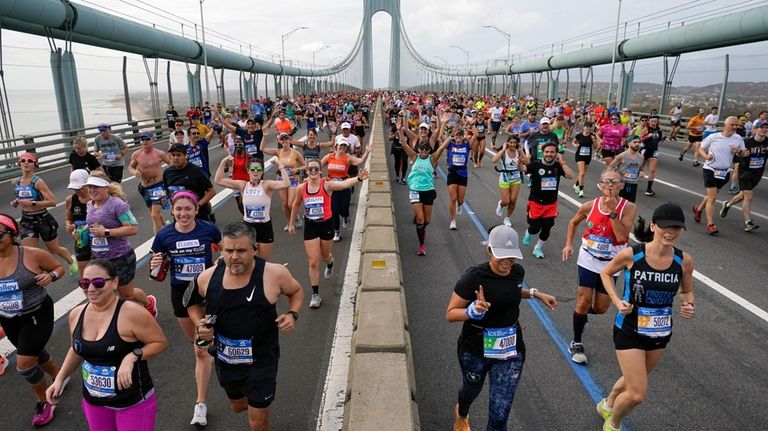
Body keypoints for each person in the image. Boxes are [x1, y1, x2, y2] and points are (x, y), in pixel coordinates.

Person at [186, 223, 303, 431]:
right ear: (221, 250)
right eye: (229, 251)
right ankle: (251, 400)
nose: (234, 257)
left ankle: (260, 405)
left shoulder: (274, 273)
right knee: (238, 406)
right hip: (226, 359)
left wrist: (292, 314)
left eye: (241, 250)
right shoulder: (208, 277)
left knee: (257, 419)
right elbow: (191, 303)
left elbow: (296, 291)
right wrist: (199, 324)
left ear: (254, 249)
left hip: (262, 359)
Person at [446, 224, 557, 431]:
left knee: (500, 413)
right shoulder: (474, 277)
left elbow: (511, 291)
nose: (507, 262)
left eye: (511, 257)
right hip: (475, 348)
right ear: (489, 250)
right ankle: (462, 412)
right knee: (471, 389)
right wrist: (472, 311)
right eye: (502, 256)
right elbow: (451, 313)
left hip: (509, 350)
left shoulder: (517, 272)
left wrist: (535, 293)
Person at [597, 203, 695, 431]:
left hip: (660, 331)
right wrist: (616, 301)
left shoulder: (684, 261)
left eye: (677, 228)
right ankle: (613, 424)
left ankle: (608, 402)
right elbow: (606, 273)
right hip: (629, 329)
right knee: (637, 393)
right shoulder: (633, 254)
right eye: (665, 227)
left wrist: (689, 304)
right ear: (653, 226)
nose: (671, 232)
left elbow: (686, 290)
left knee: (634, 378)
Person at [45, 259, 168, 431]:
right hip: (94, 402)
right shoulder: (76, 314)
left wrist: (133, 356)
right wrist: (59, 379)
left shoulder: (132, 313)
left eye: (98, 282)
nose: (91, 288)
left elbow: (160, 342)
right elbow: (77, 349)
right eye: (85, 283)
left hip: (131, 403)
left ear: (115, 282)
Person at [149, 192, 221, 426]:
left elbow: (224, 250)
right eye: (178, 209)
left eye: (188, 209)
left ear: (196, 210)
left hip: (206, 292)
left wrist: (221, 265)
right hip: (181, 294)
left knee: (200, 350)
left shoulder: (209, 229)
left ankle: (200, 404)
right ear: (172, 210)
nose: (183, 213)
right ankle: (210, 351)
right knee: (198, 344)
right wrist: (156, 267)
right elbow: (157, 273)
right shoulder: (163, 235)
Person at [562, 169, 637, 365]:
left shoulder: (627, 208)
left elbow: (621, 237)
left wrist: (613, 213)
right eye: (606, 181)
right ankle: (576, 342)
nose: (610, 185)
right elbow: (573, 222)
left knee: (601, 308)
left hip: (611, 263)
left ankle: (581, 314)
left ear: (622, 185)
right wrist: (569, 244)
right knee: (583, 300)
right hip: (588, 257)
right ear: (600, 185)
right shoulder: (589, 205)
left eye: (614, 182)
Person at [0, 213, 66, 427]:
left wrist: (51, 276)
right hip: (8, 318)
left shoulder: (31, 255)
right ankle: (59, 376)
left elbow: (58, 268)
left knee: (25, 364)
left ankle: (44, 401)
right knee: (33, 352)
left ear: (12, 234)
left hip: (36, 313)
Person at [288, 159, 368, 308]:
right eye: (310, 169)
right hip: (310, 226)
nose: (312, 171)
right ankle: (315, 294)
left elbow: (343, 184)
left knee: (325, 256)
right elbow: (296, 204)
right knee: (313, 261)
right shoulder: (301, 188)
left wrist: (358, 178)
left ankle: (330, 262)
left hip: (326, 225)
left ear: (320, 171)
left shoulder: (327, 185)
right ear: (306, 171)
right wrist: (291, 223)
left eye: (315, 169)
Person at [84, 172, 158, 317]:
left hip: (120, 256)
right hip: (98, 256)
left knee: (127, 295)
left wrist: (105, 232)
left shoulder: (118, 205)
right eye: (90, 186)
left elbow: (133, 228)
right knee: (104, 290)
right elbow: (93, 226)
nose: (92, 190)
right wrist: (82, 231)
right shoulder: (89, 204)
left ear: (106, 187)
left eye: (96, 186)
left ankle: (149, 304)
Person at [11, 152, 78, 277]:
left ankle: (71, 260)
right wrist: (16, 202)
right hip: (27, 220)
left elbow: (52, 202)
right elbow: (22, 196)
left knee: (54, 249)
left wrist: (32, 203)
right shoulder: (18, 181)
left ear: (34, 164)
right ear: (19, 163)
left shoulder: (38, 182)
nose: (26, 163)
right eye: (23, 160)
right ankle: (35, 276)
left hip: (42, 219)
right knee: (29, 251)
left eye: (29, 161)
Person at [215, 157, 291, 260]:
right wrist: (223, 161)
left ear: (262, 171)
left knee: (263, 262)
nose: (255, 171)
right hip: (248, 227)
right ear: (248, 170)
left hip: (264, 227)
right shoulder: (242, 185)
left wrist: (280, 165)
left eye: (259, 169)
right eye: (253, 169)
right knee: (249, 260)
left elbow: (286, 184)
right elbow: (218, 180)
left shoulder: (267, 185)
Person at [400, 120, 450, 256]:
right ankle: (421, 245)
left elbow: (441, 148)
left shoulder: (432, 159)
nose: (423, 150)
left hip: (428, 191)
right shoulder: (414, 157)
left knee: (427, 220)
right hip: (415, 190)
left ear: (429, 150)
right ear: (418, 149)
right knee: (420, 219)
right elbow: (404, 144)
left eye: (426, 148)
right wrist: (400, 131)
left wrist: (449, 137)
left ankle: (422, 229)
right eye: (421, 148)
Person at [519, 142, 576, 259]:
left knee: (547, 228)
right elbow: (523, 168)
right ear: (542, 153)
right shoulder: (535, 165)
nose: (549, 154)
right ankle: (528, 233)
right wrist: (519, 163)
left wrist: (562, 162)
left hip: (551, 204)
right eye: (547, 152)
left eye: (552, 152)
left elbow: (571, 176)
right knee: (535, 228)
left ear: (556, 154)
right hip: (535, 202)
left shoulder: (558, 166)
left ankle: (538, 248)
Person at [692, 117, 746, 235]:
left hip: (724, 172)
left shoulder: (738, 138)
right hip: (710, 169)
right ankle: (710, 225)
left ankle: (699, 209)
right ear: (725, 125)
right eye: (732, 125)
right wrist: (706, 157)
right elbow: (700, 147)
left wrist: (738, 151)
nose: (734, 127)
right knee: (713, 197)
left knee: (712, 195)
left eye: (736, 125)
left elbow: (745, 152)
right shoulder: (714, 136)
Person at [321, 137, 373, 242]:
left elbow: (360, 161)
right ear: (336, 146)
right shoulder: (329, 157)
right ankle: (336, 232)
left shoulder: (348, 157)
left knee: (343, 209)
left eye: (344, 146)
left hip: (344, 185)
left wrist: (367, 151)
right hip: (331, 187)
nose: (342, 148)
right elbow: (318, 165)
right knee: (334, 210)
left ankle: (345, 216)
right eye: (341, 145)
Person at [719, 121, 768, 232]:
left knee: (742, 196)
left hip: (758, 173)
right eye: (762, 127)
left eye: (766, 128)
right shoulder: (746, 142)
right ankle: (748, 222)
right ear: (755, 129)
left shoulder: (767, 142)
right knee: (748, 196)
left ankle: (727, 204)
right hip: (745, 172)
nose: (764, 130)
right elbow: (737, 154)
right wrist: (738, 152)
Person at [128, 131, 171, 233]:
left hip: (159, 186)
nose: (145, 142)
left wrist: (172, 176)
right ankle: (165, 226)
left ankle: (158, 239)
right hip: (144, 187)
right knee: (152, 212)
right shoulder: (137, 154)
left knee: (154, 215)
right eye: (143, 139)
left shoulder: (160, 153)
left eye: (147, 139)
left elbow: (170, 162)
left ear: (153, 140)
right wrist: (135, 172)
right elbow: (130, 167)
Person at [264, 132, 307, 232]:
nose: (284, 141)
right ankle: (289, 223)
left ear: (290, 140)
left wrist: (297, 170)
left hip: (293, 180)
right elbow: (262, 149)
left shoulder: (295, 153)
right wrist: (264, 137)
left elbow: (306, 165)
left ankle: (295, 218)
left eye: (286, 139)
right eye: (282, 139)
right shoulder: (278, 152)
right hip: (281, 180)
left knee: (290, 204)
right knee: (284, 204)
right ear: (280, 141)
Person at [164, 144, 217, 222]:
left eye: (179, 155)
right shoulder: (167, 173)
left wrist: (197, 205)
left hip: (198, 215)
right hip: (180, 216)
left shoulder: (196, 171)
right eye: (173, 155)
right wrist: (168, 204)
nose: (175, 158)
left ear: (185, 155)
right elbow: (167, 191)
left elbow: (211, 192)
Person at [491, 135, 527, 227]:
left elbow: (527, 162)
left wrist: (521, 151)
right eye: (511, 142)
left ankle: (507, 218)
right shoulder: (504, 153)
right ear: (507, 143)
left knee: (513, 200)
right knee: (506, 201)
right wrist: (503, 150)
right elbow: (493, 160)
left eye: (515, 143)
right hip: (505, 178)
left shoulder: (518, 152)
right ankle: (501, 204)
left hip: (516, 178)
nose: (513, 144)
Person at [65, 170, 92, 277]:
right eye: (74, 188)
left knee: (103, 275)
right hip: (81, 239)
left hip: (98, 239)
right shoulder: (70, 200)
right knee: (84, 278)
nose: (77, 190)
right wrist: (69, 226)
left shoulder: (97, 198)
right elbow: (68, 219)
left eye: (80, 187)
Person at [445, 127, 471, 230]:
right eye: (457, 135)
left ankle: (459, 205)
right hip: (452, 172)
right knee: (453, 198)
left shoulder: (467, 145)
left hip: (463, 173)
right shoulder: (451, 145)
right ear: (454, 137)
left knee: (460, 201)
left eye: (460, 134)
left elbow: (476, 136)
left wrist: (471, 124)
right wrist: (449, 133)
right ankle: (453, 221)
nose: (458, 136)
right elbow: (441, 138)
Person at [609, 136, 644, 203]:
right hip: (621, 185)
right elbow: (610, 167)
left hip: (633, 184)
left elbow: (640, 168)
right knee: (618, 205)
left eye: (639, 142)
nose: (637, 144)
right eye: (634, 142)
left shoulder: (641, 157)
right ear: (629, 144)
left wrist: (641, 172)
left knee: (630, 206)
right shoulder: (622, 156)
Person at [572, 122, 600, 198]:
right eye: (586, 126)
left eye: (589, 127)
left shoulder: (592, 136)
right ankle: (581, 190)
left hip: (587, 156)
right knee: (582, 173)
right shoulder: (579, 135)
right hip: (579, 155)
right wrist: (575, 145)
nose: (587, 128)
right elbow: (573, 142)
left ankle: (576, 185)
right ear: (584, 127)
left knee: (582, 173)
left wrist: (594, 141)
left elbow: (595, 147)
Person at [639, 116, 663, 197]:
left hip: (654, 151)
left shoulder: (659, 130)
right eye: (652, 121)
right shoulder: (646, 129)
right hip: (644, 150)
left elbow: (658, 140)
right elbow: (639, 139)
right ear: (649, 122)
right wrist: (647, 136)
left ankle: (649, 189)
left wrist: (662, 139)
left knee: (652, 170)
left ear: (657, 122)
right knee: (638, 169)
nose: (653, 123)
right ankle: (630, 182)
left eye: (655, 121)